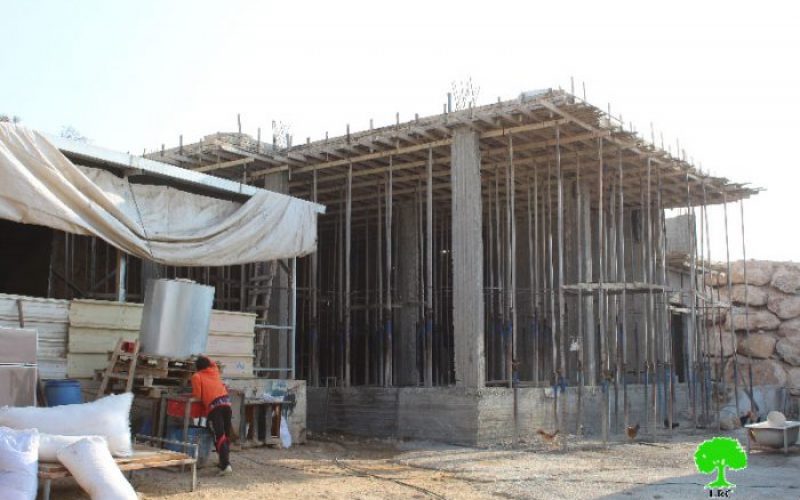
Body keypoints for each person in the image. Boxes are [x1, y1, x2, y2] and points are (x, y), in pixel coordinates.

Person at [191, 355, 233, 475]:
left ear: (197, 367)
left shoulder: (196, 376)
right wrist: (202, 357)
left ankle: (226, 466)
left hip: (215, 409)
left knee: (218, 436)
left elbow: (198, 396)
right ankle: (224, 461)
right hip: (227, 404)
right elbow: (213, 363)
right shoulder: (215, 371)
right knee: (225, 435)